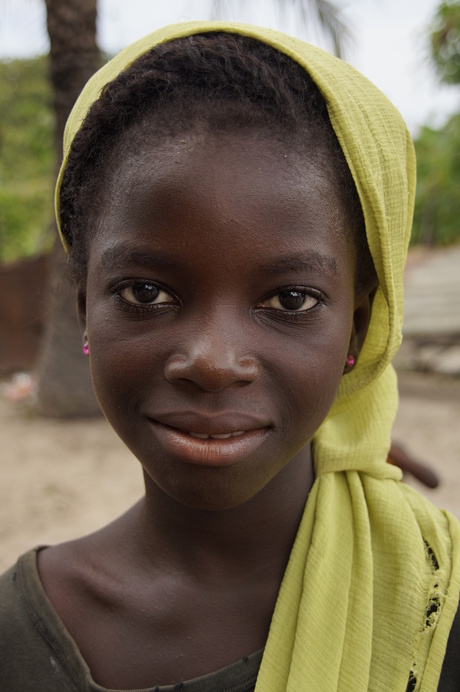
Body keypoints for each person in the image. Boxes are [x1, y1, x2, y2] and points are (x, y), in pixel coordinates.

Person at [1, 21, 459, 691]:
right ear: (83, 312)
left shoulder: (433, 605)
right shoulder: (14, 639)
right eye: (146, 291)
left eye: (291, 300)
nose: (214, 361)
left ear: (358, 331)